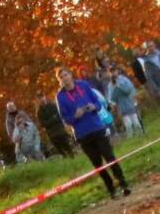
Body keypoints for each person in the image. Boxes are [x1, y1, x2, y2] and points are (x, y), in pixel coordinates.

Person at [54, 67, 129, 198]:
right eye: (61, 77)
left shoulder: (83, 85)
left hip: (97, 127)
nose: (65, 78)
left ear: (71, 75)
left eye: (66, 75)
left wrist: (94, 107)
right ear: (59, 81)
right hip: (83, 134)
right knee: (98, 164)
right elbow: (65, 119)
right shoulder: (60, 97)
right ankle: (111, 188)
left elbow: (97, 102)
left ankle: (123, 183)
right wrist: (75, 116)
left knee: (109, 156)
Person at [108, 68, 142, 137]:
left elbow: (131, 88)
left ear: (117, 71)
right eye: (112, 72)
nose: (114, 73)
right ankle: (131, 137)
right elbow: (111, 97)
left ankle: (140, 135)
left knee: (135, 121)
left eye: (114, 71)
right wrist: (113, 105)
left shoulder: (124, 79)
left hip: (129, 102)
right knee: (128, 124)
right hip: (121, 106)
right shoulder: (110, 85)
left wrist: (133, 97)